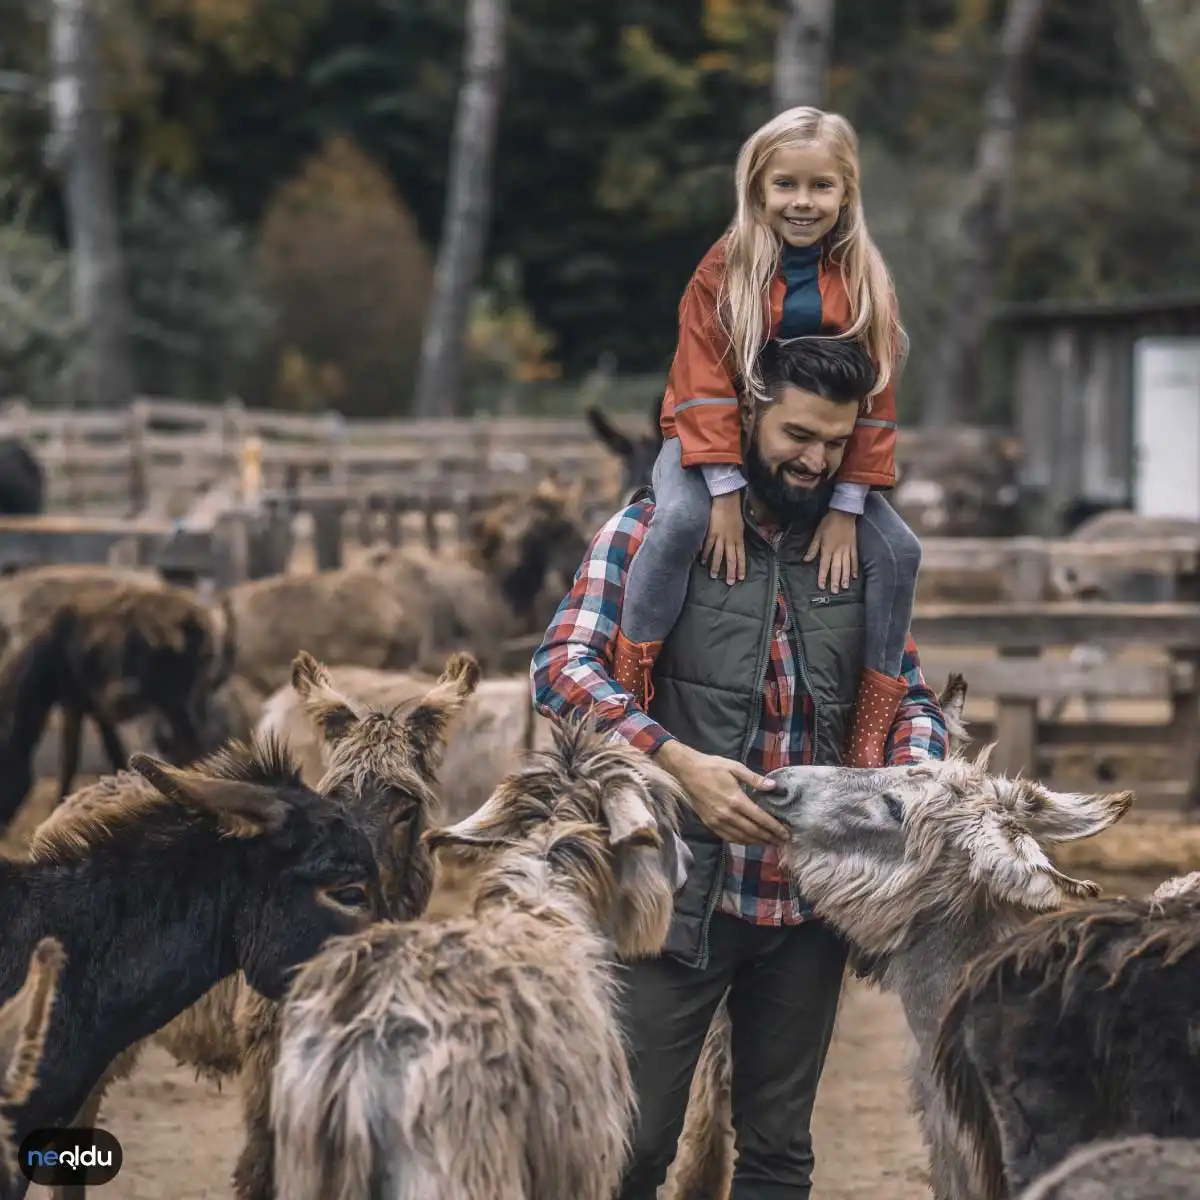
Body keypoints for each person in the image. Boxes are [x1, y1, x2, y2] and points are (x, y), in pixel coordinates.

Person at [530, 333, 948, 1200]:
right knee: (632, 1147)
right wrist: (680, 764)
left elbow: (907, 696)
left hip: (805, 904)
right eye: (798, 436)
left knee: (778, 1154)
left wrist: (908, 776)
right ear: (750, 412)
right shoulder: (651, 531)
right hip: (675, 891)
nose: (816, 460)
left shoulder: (858, 552)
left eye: (836, 444)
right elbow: (562, 670)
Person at [611, 105, 922, 771]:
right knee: (676, 525)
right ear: (757, 190)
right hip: (707, 438)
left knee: (898, 551)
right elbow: (700, 380)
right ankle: (633, 681)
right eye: (785, 185)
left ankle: (874, 718)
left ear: (847, 193)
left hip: (820, 448)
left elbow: (875, 398)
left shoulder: (865, 277)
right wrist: (722, 489)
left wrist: (848, 508)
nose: (803, 203)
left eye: (821, 187)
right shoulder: (724, 269)